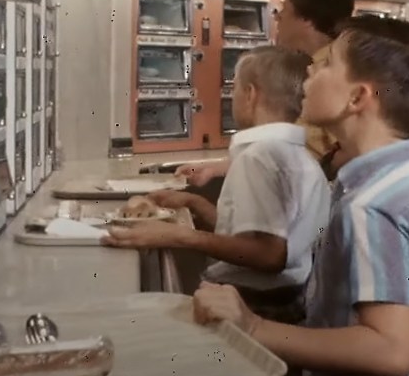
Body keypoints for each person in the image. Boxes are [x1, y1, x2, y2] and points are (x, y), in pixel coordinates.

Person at [192, 17, 409, 376]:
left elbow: (390, 350)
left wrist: (252, 326)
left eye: (327, 63)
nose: (310, 68)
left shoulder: (370, 207)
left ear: (357, 97)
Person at [104, 46, 331, 324]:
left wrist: (181, 237)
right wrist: (194, 204)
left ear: (250, 94)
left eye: (234, 88)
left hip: (253, 302)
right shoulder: (299, 155)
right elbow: (247, 235)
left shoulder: (259, 156)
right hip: (285, 297)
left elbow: (270, 255)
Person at [177, 0, 355, 184]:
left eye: (285, 9)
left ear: (306, 19)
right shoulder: (305, 66)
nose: (277, 17)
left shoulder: (333, 76)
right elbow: (293, 152)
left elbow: (347, 150)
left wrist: (316, 184)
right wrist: (215, 168)